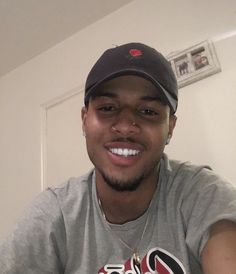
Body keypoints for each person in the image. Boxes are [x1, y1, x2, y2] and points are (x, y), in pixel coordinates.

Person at [0, 42, 236, 274]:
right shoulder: (54, 214)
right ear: (84, 120)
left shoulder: (202, 194)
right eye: (107, 108)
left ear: (170, 128)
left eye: (148, 111)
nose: (125, 127)